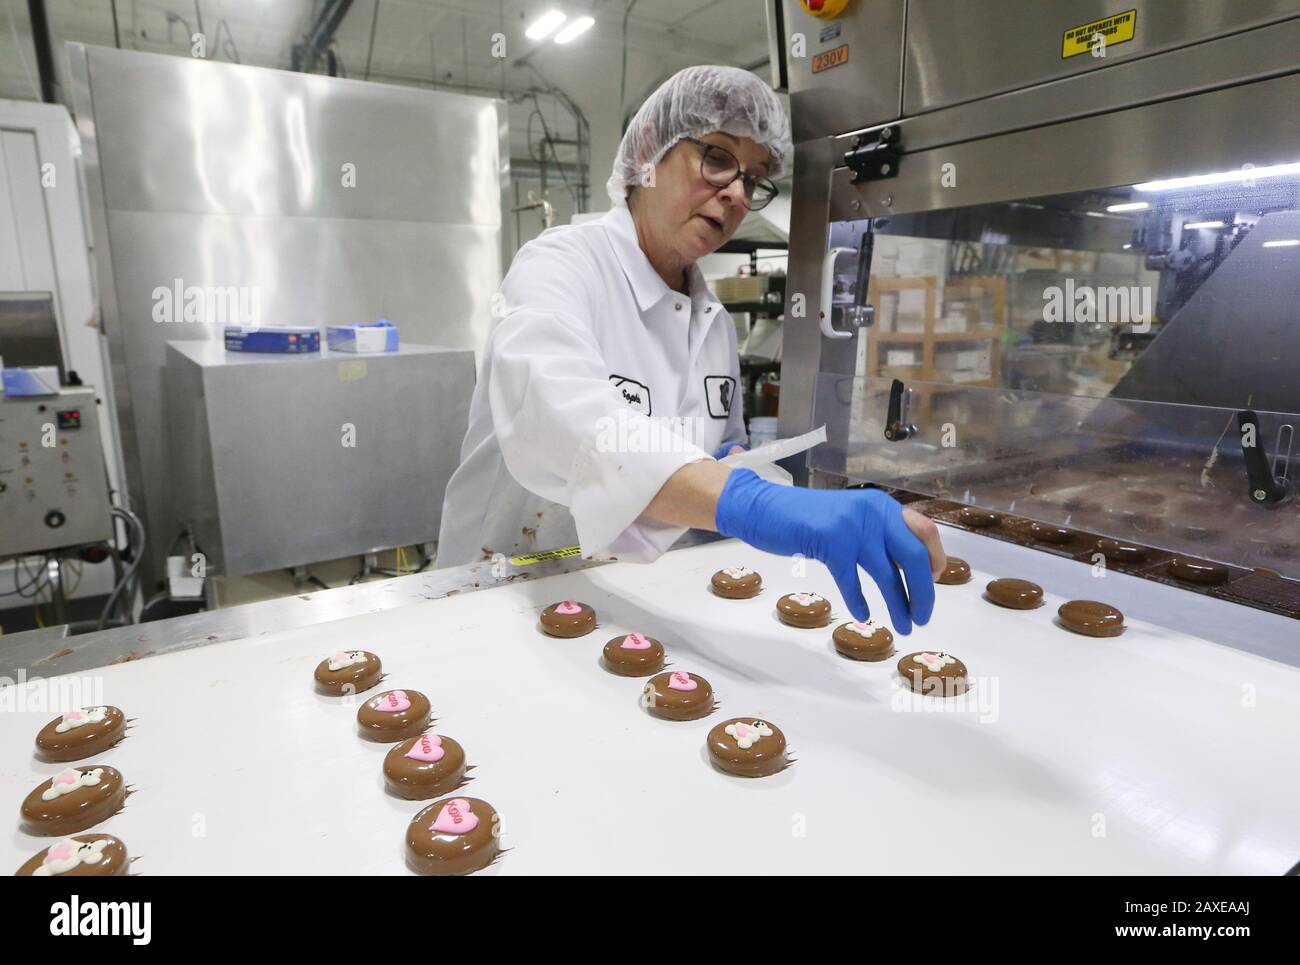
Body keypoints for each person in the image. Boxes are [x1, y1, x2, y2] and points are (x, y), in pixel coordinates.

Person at [438, 65, 945, 633]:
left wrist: (741, 472)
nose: (734, 192)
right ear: (651, 151)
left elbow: (722, 453)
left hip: (640, 596)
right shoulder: (560, 266)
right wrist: (753, 505)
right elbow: (566, 421)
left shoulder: (715, 326)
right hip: (509, 587)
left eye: (752, 179)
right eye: (717, 158)